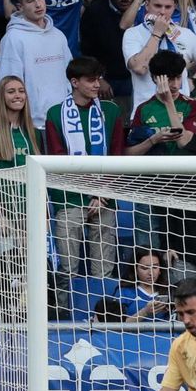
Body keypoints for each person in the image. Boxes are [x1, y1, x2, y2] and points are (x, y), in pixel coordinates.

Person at [40, 57, 141, 279]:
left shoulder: (111, 111)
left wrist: (100, 192)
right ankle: (66, 314)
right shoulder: (55, 114)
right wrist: (90, 190)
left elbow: (116, 157)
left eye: (99, 79)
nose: (97, 84)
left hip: (105, 198)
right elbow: (59, 161)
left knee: (104, 270)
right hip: (68, 197)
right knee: (67, 271)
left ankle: (101, 314)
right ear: (74, 82)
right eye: (91, 80)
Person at [122, 0, 196, 108]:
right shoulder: (133, 34)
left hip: (181, 110)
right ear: (147, 5)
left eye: (168, 7)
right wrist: (157, 34)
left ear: (174, 7)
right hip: (146, 110)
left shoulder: (185, 34)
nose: (162, 12)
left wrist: (194, 81)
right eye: (157, 6)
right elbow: (139, 68)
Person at [0, 0, 73, 129]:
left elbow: (70, 78)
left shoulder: (58, 35)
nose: (38, 4)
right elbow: (9, 85)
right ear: (19, 6)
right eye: (30, 1)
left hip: (65, 122)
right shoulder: (13, 38)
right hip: (33, 125)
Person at [127, 49, 196, 155]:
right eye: (170, 79)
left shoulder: (192, 105)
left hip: (183, 168)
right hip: (153, 168)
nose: (176, 85)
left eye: (179, 78)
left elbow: (184, 143)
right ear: (155, 78)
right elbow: (128, 153)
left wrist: (168, 102)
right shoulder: (143, 109)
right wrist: (153, 140)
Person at [80, 0, 138, 98]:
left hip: (136, 77)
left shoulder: (141, 6)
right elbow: (87, 51)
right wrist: (98, 77)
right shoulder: (94, 13)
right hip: (108, 80)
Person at [0, 77, 38, 169]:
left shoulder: (35, 132)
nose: (18, 95)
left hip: (31, 184)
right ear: (2, 97)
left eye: (21, 91)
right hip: (0, 184)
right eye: (11, 92)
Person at [116, 248, 172, 320]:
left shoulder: (169, 291)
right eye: (145, 268)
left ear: (160, 269)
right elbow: (117, 325)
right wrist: (145, 312)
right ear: (135, 269)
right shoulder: (123, 293)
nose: (151, 273)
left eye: (155, 267)